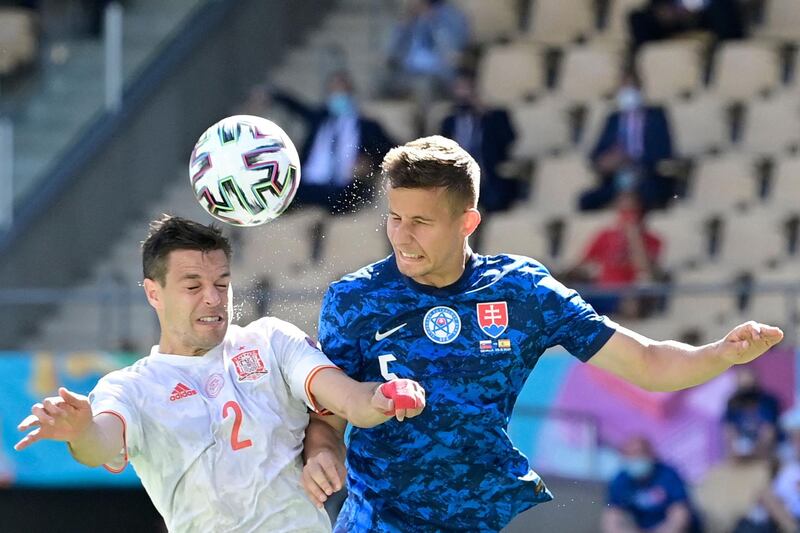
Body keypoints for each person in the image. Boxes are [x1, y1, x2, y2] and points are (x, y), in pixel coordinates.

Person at [300, 135, 783, 532]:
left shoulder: (522, 291)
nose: (402, 236)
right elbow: (328, 415)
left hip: (474, 522)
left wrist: (719, 354)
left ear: (467, 222)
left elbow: (649, 363)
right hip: (375, 522)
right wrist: (322, 452)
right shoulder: (353, 299)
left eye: (421, 222)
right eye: (395, 218)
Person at [14, 215, 426, 532]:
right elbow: (98, 446)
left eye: (222, 283)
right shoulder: (130, 387)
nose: (213, 299)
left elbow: (348, 398)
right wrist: (80, 430)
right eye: (193, 286)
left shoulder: (270, 339)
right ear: (153, 293)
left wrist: (380, 398)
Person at [270, 70, 395, 262]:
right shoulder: (319, 119)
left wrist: (369, 162)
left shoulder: (368, 126)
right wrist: (273, 94)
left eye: (342, 91)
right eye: (334, 92)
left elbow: (392, 150)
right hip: (308, 184)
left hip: (344, 187)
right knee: (277, 190)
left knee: (335, 194)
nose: (338, 97)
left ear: (352, 94)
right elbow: (295, 106)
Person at [580, 72, 676, 213]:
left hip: (645, 177)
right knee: (586, 200)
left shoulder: (656, 116)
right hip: (616, 180)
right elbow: (597, 154)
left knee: (648, 192)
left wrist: (630, 158)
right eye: (623, 89)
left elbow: (664, 151)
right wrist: (604, 161)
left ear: (640, 89)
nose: (627, 93)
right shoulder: (613, 119)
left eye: (631, 88)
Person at [567, 190, 663, 318]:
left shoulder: (653, 240)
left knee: (632, 305)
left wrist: (633, 236)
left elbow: (644, 270)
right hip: (601, 292)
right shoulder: (605, 235)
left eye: (631, 211)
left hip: (626, 295)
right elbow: (581, 263)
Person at [603, 436, 700, 533]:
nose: (635, 459)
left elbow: (680, 513)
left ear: (651, 454)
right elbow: (612, 517)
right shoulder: (622, 479)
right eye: (630, 455)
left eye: (639, 453)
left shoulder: (668, 474)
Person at [723, 367, 781, 460]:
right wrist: (734, 450)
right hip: (742, 450)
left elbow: (769, 430)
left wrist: (758, 451)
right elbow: (729, 430)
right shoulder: (732, 403)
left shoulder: (767, 401)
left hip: (768, 450)